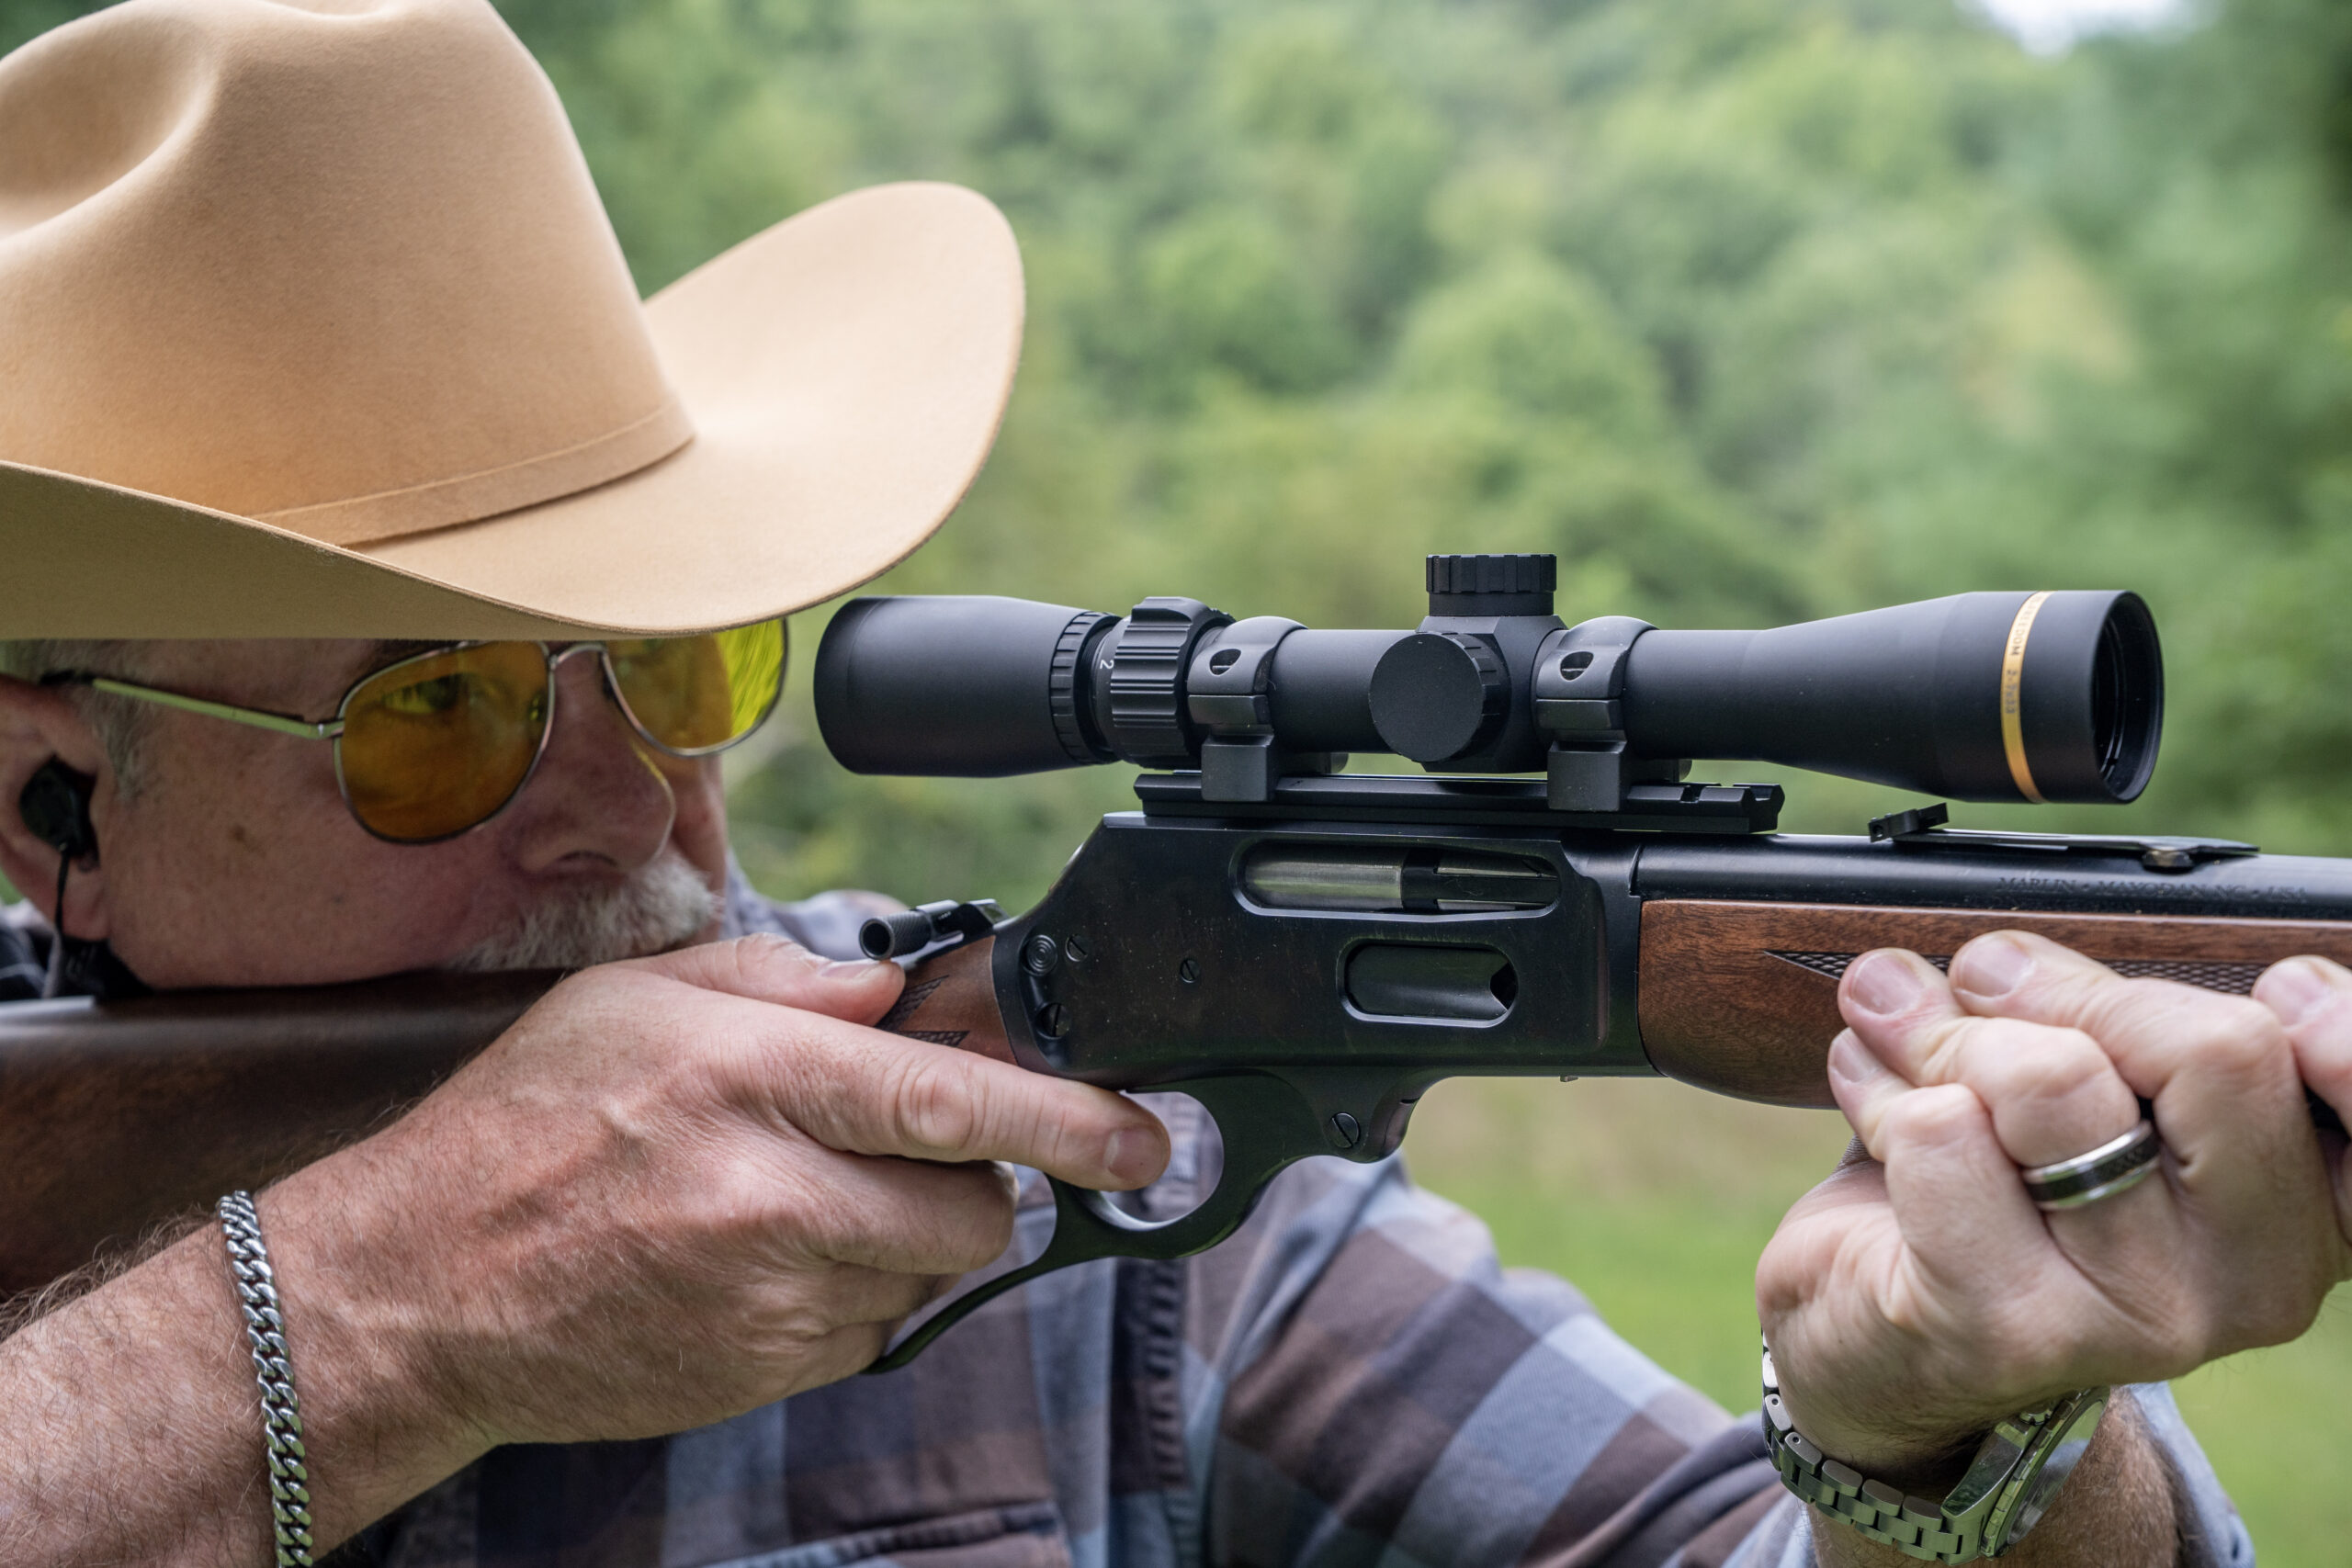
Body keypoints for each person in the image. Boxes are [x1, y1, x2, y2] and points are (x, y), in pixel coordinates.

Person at [0, 4, 2346, 1566]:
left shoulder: (1065, 1168)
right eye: (440, 710)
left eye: (677, 659)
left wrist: (1935, 1441)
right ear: (48, 802)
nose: (628, 805)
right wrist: (382, 1306)